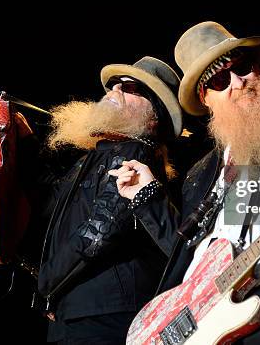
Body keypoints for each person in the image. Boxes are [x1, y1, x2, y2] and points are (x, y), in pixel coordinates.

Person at [112, 22, 260, 344]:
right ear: (206, 98)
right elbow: (186, 259)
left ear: (257, 68)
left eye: (242, 68)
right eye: (220, 80)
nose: (237, 83)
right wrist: (148, 196)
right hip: (208, 318)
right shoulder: (199, 175)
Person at [20, 56, 183, 344]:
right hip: (71, 312)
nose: (114, 91)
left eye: (130, 89)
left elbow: (98, 232)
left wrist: (46, 285)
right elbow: (47, 207)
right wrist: (21, 149)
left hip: (107, 315)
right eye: (114, 85)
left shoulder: (136, 153)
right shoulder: (94, 157)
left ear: (154, 115)